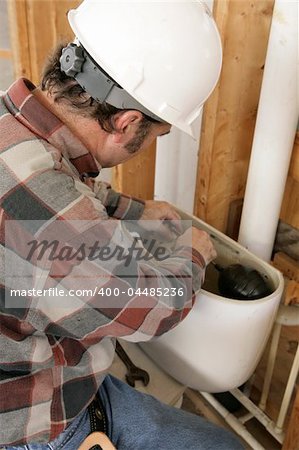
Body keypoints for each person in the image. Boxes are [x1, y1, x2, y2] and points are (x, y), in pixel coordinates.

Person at [0, 1, 244, 449]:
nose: (147, 146)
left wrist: (135, 210)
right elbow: (153, 307)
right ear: (127, 121)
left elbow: (54, 188)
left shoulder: (12, 124)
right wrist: (193, 251)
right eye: (154, 136)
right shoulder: (51, 207)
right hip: (27, 418)